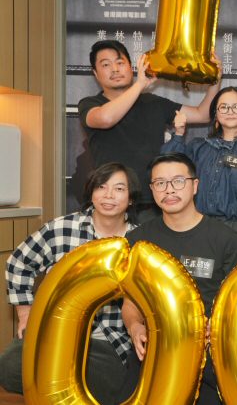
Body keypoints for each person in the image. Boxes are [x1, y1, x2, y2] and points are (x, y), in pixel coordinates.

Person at [1, 163, 141, 403]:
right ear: (91, 193)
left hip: (109, 341)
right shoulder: (62, 228)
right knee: (9, 367)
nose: (108, 195)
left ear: (131, 199)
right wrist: (25, 313)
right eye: (101, 187)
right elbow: (19, 263)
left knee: (109, 384)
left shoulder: (139, 239)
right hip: (56, 333)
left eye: (119, 189)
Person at [121, 153, 237, 405]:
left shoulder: (226, 239)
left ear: (195, 185)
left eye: (178, 181)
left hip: (208, 353)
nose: (169, 190)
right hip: (154, 348)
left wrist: (217, 327)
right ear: (152, 190)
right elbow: (130, 301)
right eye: (160, 183)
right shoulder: (138, 240)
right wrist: (134, 327)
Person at [79, 40, 221, 221]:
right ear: (95, 73)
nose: (115, 69)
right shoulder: (90, 104)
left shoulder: (153, 103)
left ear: (130, 67)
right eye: (106, 65)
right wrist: (139, 85)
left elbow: (202, 114)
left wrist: (215, 80)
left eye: (120, 62)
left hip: (152, 204)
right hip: (112, 203)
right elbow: (106, 119)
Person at [162, 86, 237, 244]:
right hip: (200, 228)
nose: (230, 111)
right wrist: (179, 133)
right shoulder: (199, 147)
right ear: (216, 114)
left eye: (236, 107)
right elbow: (168, 169)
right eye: (224, 107)